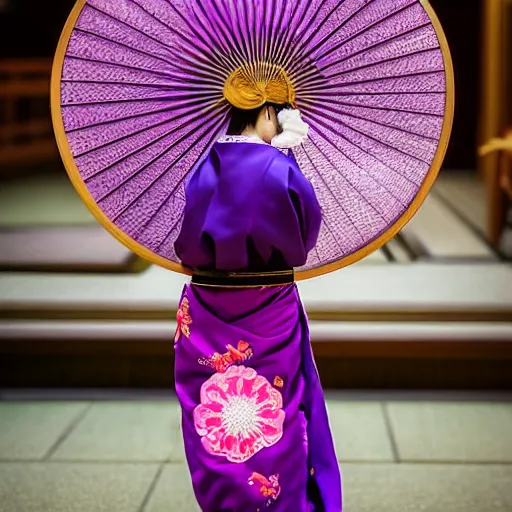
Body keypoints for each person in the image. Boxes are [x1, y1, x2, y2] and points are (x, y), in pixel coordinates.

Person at [173, 101, 342, 511]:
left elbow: (186, 245)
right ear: (268, 111)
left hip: (207, 307)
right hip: (269, 303)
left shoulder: (204, 165)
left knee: (212, 419)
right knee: (278, 414)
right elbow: (304, 236)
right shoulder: (279, 168)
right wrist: (285, 157)